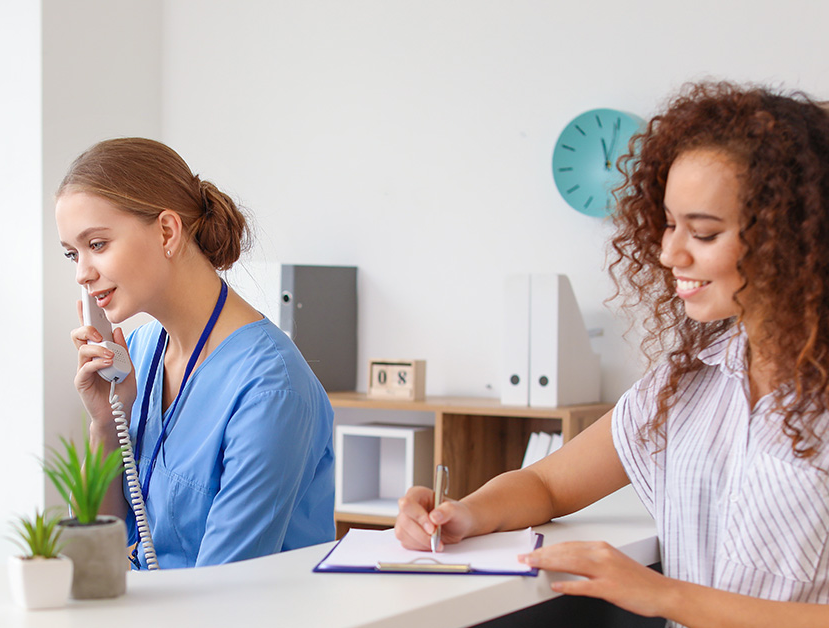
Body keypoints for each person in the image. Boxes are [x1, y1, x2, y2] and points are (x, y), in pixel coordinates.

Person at [396, 81, 829, 627]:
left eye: (703, 232)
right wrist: (463, 514)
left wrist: (664, 596)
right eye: (671, 224)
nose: (670, 252)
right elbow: (548, 484)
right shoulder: (689, 379)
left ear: (791, 239)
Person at [56, 137, 336, 569]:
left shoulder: (271, 389)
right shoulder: (140, 353)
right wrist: (105, 422)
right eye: (72, 254)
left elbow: (219, 596)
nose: (82, 274)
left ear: (167, 231)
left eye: (97, 245)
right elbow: (87, 559)